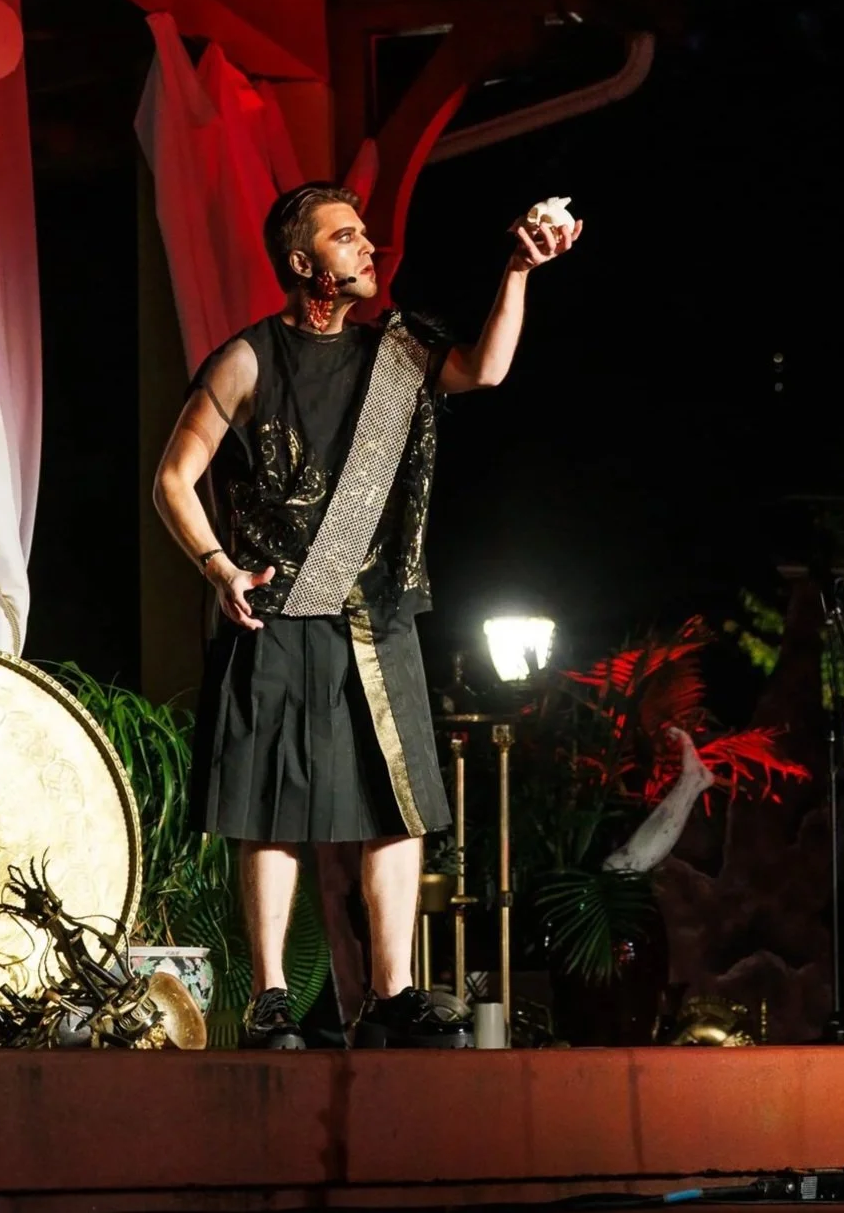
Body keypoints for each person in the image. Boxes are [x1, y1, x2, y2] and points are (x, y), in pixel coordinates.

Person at [153, 183, 581, 1049]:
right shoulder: (248, 359)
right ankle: (271, 997)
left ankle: (391, 991)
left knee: (399, 802)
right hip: (274, 610)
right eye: (345, 237)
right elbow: (172, 477)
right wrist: (217, 566)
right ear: (301, 262)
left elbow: (484, 369)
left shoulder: (398, 350)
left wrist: (518, 269)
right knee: (270, 809)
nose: (367, 247)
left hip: (376, 612)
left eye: (363, 235)